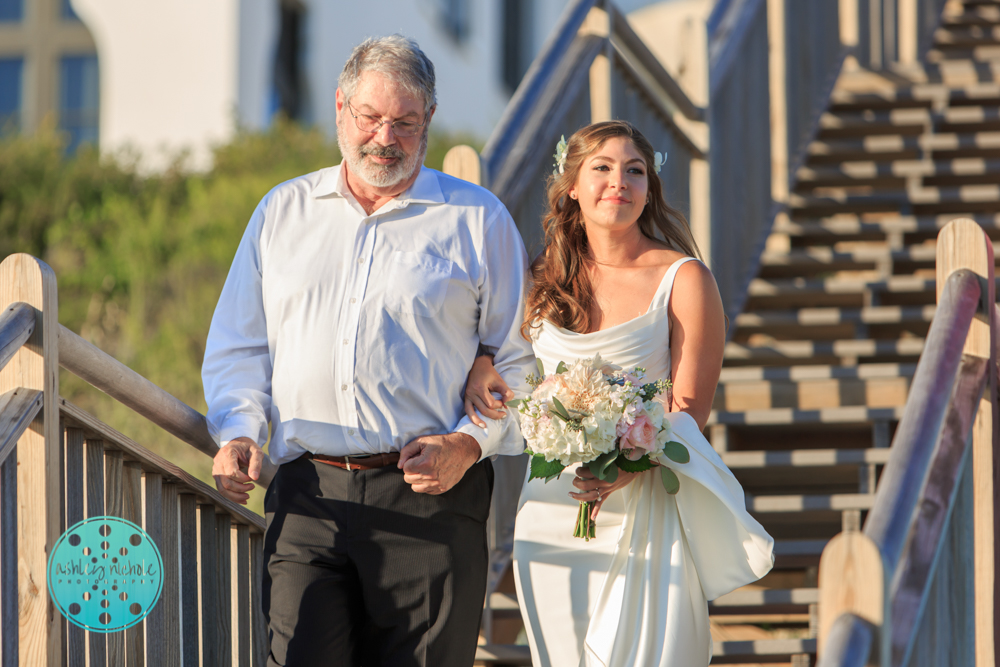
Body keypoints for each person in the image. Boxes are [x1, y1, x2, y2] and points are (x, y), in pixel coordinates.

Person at [204, 35, 535, 667]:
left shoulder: (478, 220)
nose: (385, 138)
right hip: (307, 496)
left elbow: (519, 362)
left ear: (428, 121)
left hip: (433, 497)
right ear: (340, 108)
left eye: (405, 123)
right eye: (371, 118)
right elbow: (240, 346)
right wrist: (241, 427)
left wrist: (467, 444)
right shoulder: (282, 211)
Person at [464, 121, 775, 666]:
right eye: (602, 168)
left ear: (650, 188)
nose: (619, 182)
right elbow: (506, 365)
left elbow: (689, 408)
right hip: (553, 510)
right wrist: (480, 364)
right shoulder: (539, 278)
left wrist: (629, 465)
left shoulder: (684, 279)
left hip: (645, 501)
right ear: (573, 187)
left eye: (635, 171)